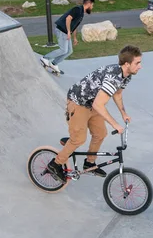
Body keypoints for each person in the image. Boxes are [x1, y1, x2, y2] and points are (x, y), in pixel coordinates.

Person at [46, 45, 143, 182]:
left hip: (92, 104)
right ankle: (54, 164)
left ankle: (89, 163)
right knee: (78, 139)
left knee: (100, 133)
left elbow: (118, 94)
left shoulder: (126, 76)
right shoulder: (113, 77)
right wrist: (115, 124)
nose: (140, 66)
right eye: (137, 63)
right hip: (78, 102)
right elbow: (99, 104)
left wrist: (123, 114)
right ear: (127, 64)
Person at [40, 0, 95, 74]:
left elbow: (75, 25)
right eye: (92, 5)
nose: (92, 7)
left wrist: (75, 38)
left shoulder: (81, 13)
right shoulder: (77, 9)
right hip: (62, 30)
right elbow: (68, 19)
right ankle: (45, 58)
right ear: (88, 4)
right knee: (63, 50)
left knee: (69, 51)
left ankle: (53, 63)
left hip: (66, 32)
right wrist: (69, 32)